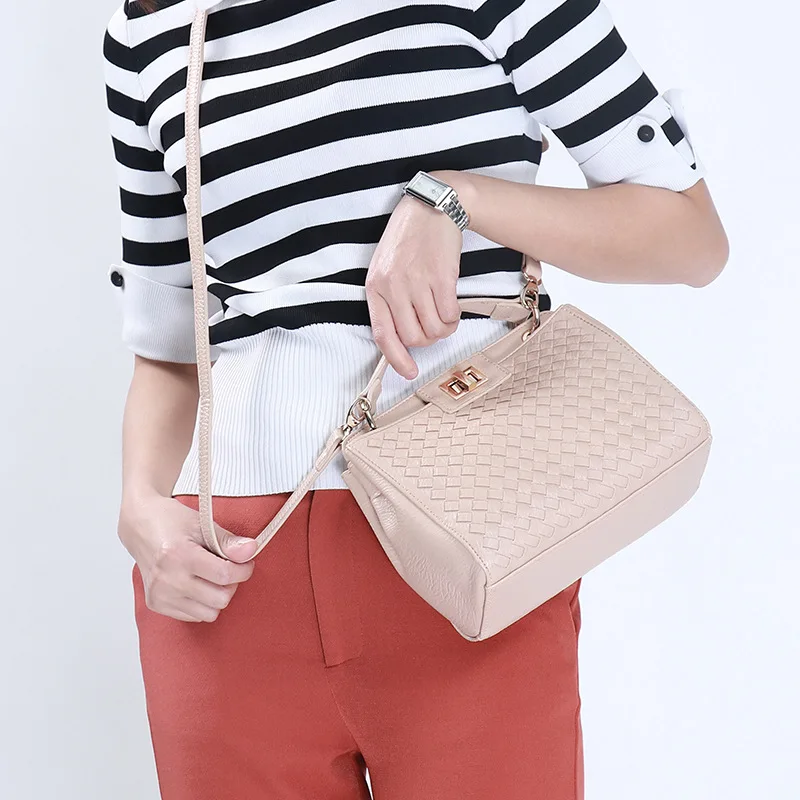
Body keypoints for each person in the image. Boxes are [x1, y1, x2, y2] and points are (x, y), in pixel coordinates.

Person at [102, 1, 728, 798]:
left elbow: (690, 238)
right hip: (224, 573)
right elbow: (168, 346)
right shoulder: (150, 31)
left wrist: (456, 200)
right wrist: (140, 506)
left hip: (467, 549)